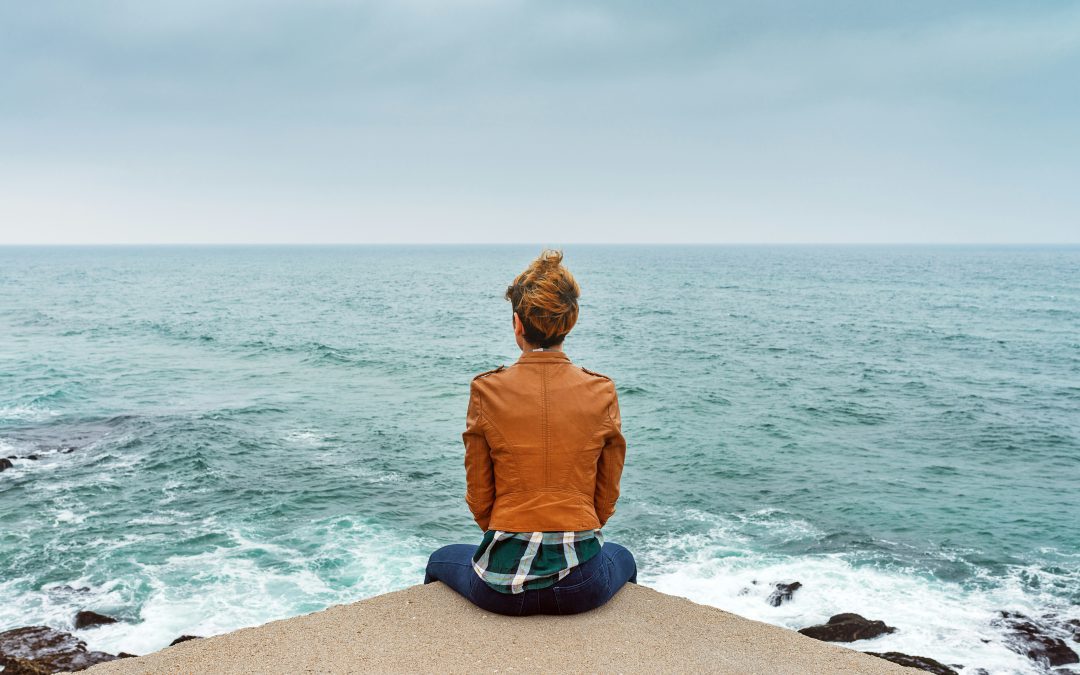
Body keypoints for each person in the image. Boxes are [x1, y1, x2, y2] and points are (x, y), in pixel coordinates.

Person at [424, 249, 637, 616]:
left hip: (500, 585)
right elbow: (605, 496)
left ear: (517, 324)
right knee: (624, 558)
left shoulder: (486, 389)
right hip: (581, 585)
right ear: (571, 321)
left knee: (439, 560)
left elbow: (479, 497)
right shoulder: (602, 390)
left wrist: (511, 529)